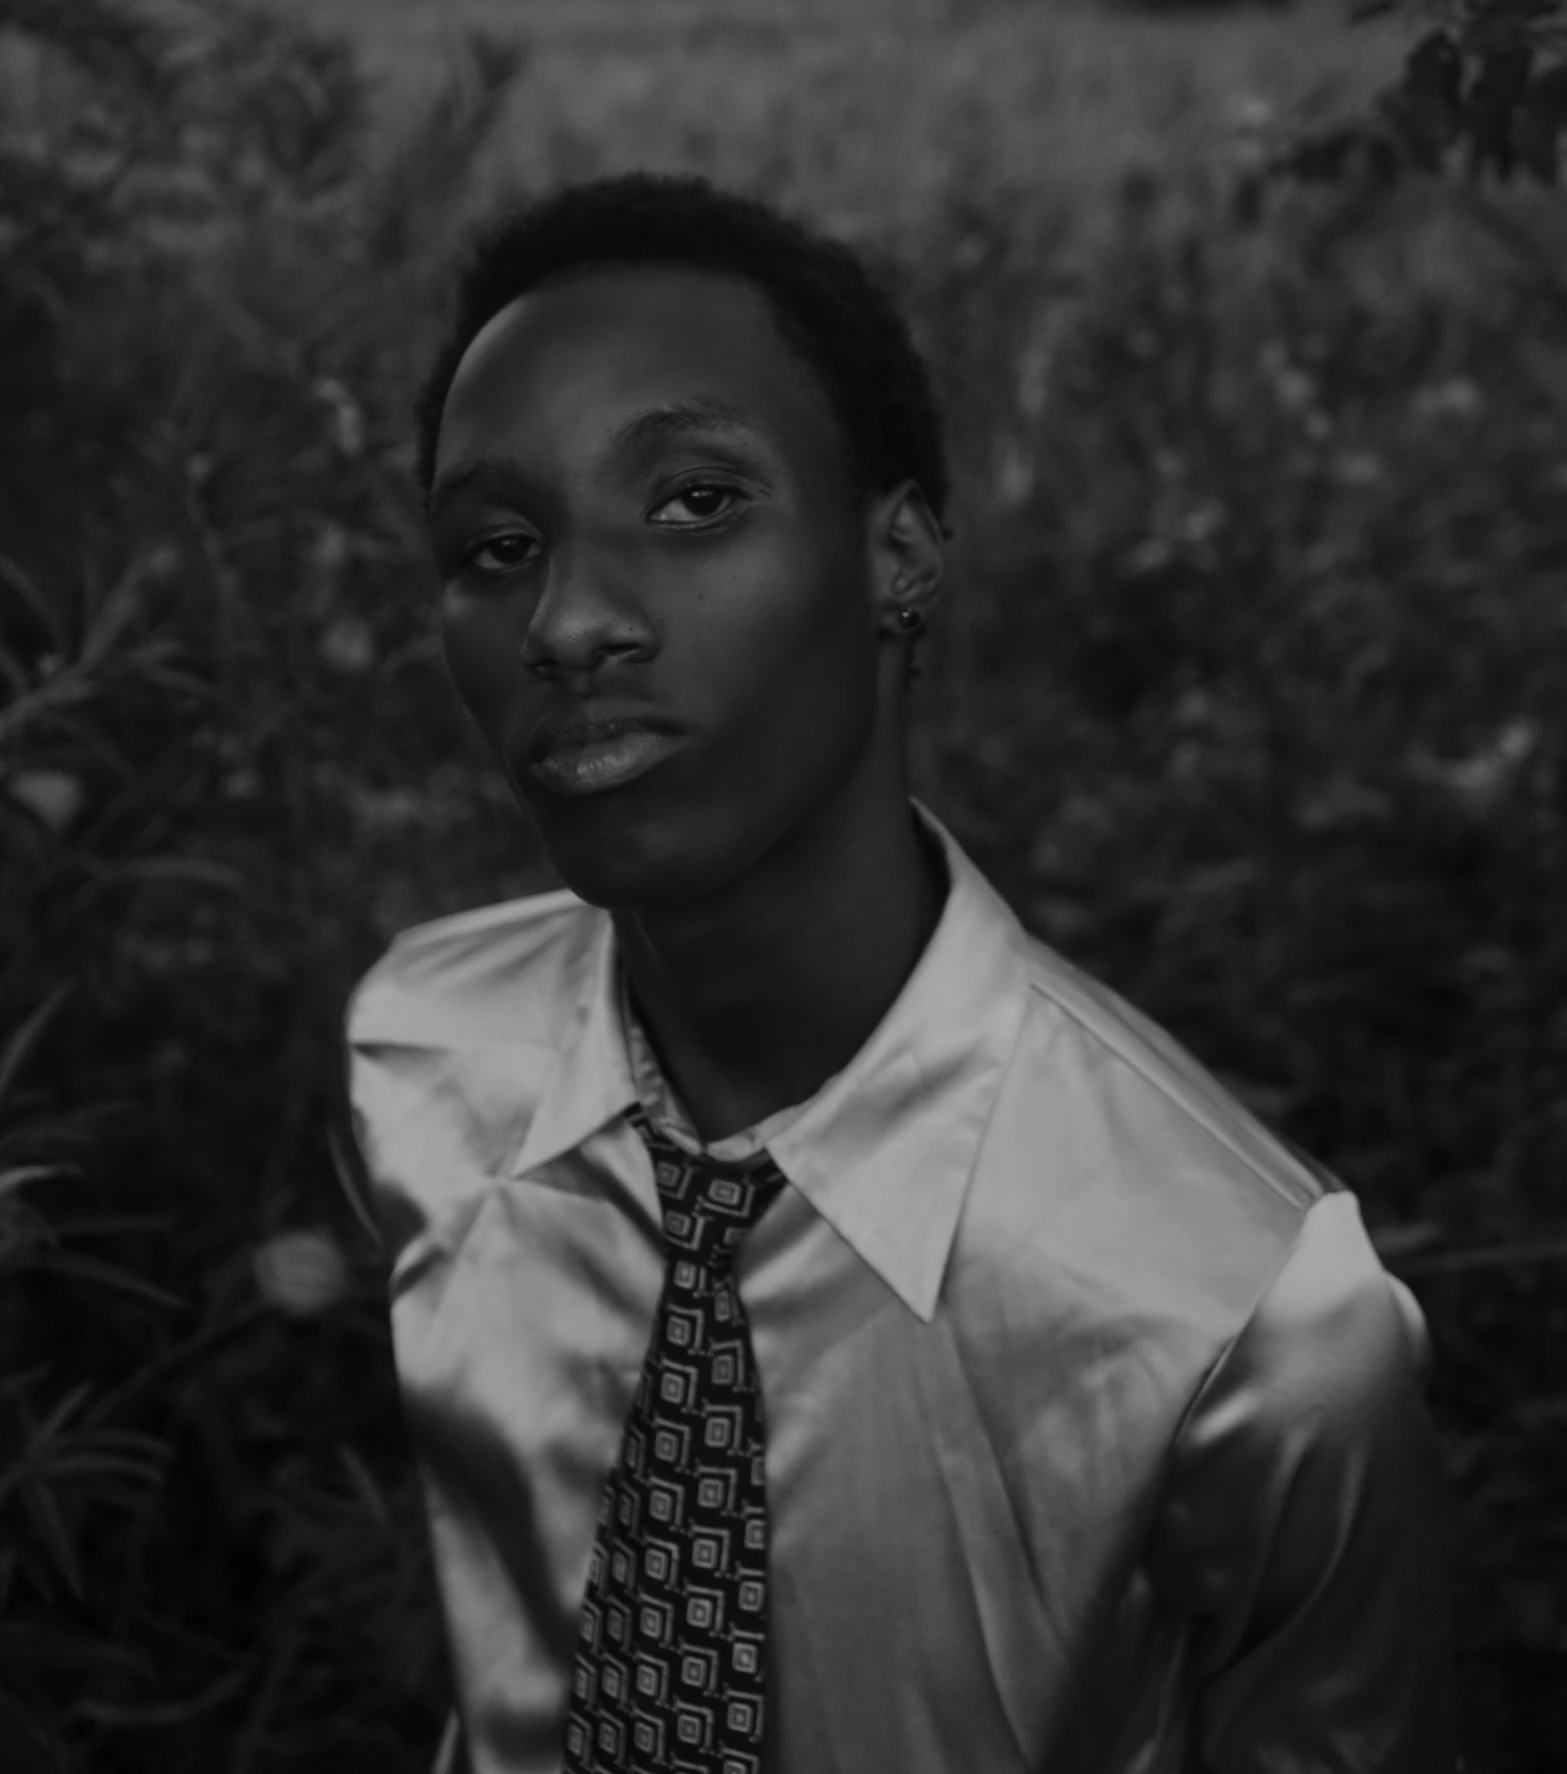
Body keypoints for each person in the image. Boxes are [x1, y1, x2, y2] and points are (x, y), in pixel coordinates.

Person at [345, 172, 1458, 1774]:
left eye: (691, 501)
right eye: (497, 544)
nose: (571, 618)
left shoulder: (1248, 1314)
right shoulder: (416, 1056)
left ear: (901, 556)